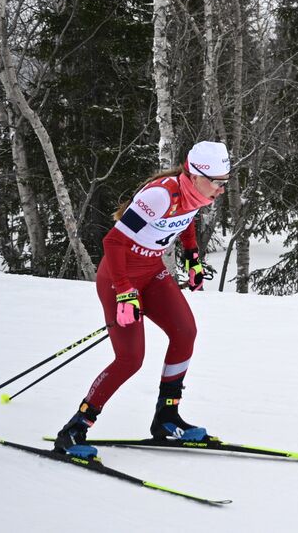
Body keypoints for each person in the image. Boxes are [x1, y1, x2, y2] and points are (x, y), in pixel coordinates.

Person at [53, 140, 231, 458]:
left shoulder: (195, 195)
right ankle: (74, 429)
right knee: (130, 359)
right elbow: (114, 241)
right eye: (217, 182)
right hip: (119, 279)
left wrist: (192, 258)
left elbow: (186, 222)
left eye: (224, 183)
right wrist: (125, 292)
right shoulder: (160, 195)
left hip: (152, 273)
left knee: (185, 332)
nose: (220, 190)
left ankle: (166, 417)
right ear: (195, 174)